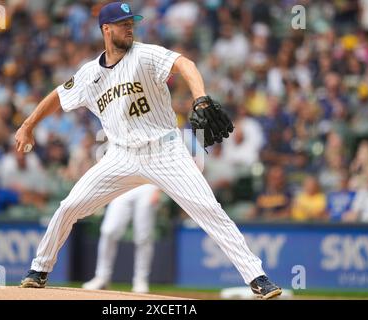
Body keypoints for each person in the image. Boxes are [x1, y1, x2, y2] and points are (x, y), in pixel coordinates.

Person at [16, 2, 281, 299]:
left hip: (165, 151)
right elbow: (57, 96)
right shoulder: (90, 74)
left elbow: (185, 64)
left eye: (131, 22)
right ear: (106, 29)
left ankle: (257, 277)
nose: (129, 26)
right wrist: (28, 125)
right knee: (69, 207)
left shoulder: (144, 54)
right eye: (122, 23)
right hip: (120, 155)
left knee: (209, 210)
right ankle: (39, 270)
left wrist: (201, 97)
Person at [82, 184, 160, 294]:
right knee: (109, 231)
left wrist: (156, 188)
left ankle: (141, 280)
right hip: (124, 183)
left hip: (147, 185)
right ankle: (102, 277)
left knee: (143, 237)